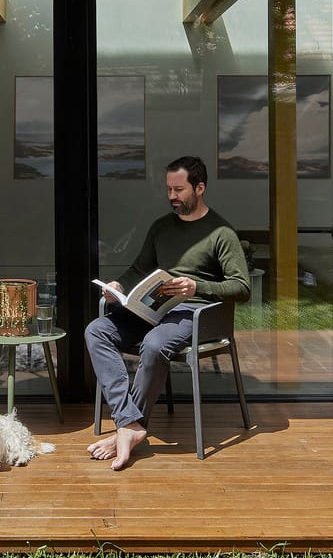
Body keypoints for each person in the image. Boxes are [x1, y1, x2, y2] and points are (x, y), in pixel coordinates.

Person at [86, 155, 251, 471]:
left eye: (179, 190)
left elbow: (242, 288)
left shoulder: (221, 233)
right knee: (97, 330)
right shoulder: (161, 227)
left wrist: (196, 287)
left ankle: (128, 428)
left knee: (154, 344)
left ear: (199, 188)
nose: (172, 196)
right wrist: (120, 283)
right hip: (155, 309)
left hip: (196, 313)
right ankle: (130, 424)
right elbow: (139, 267)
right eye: (169, 190)